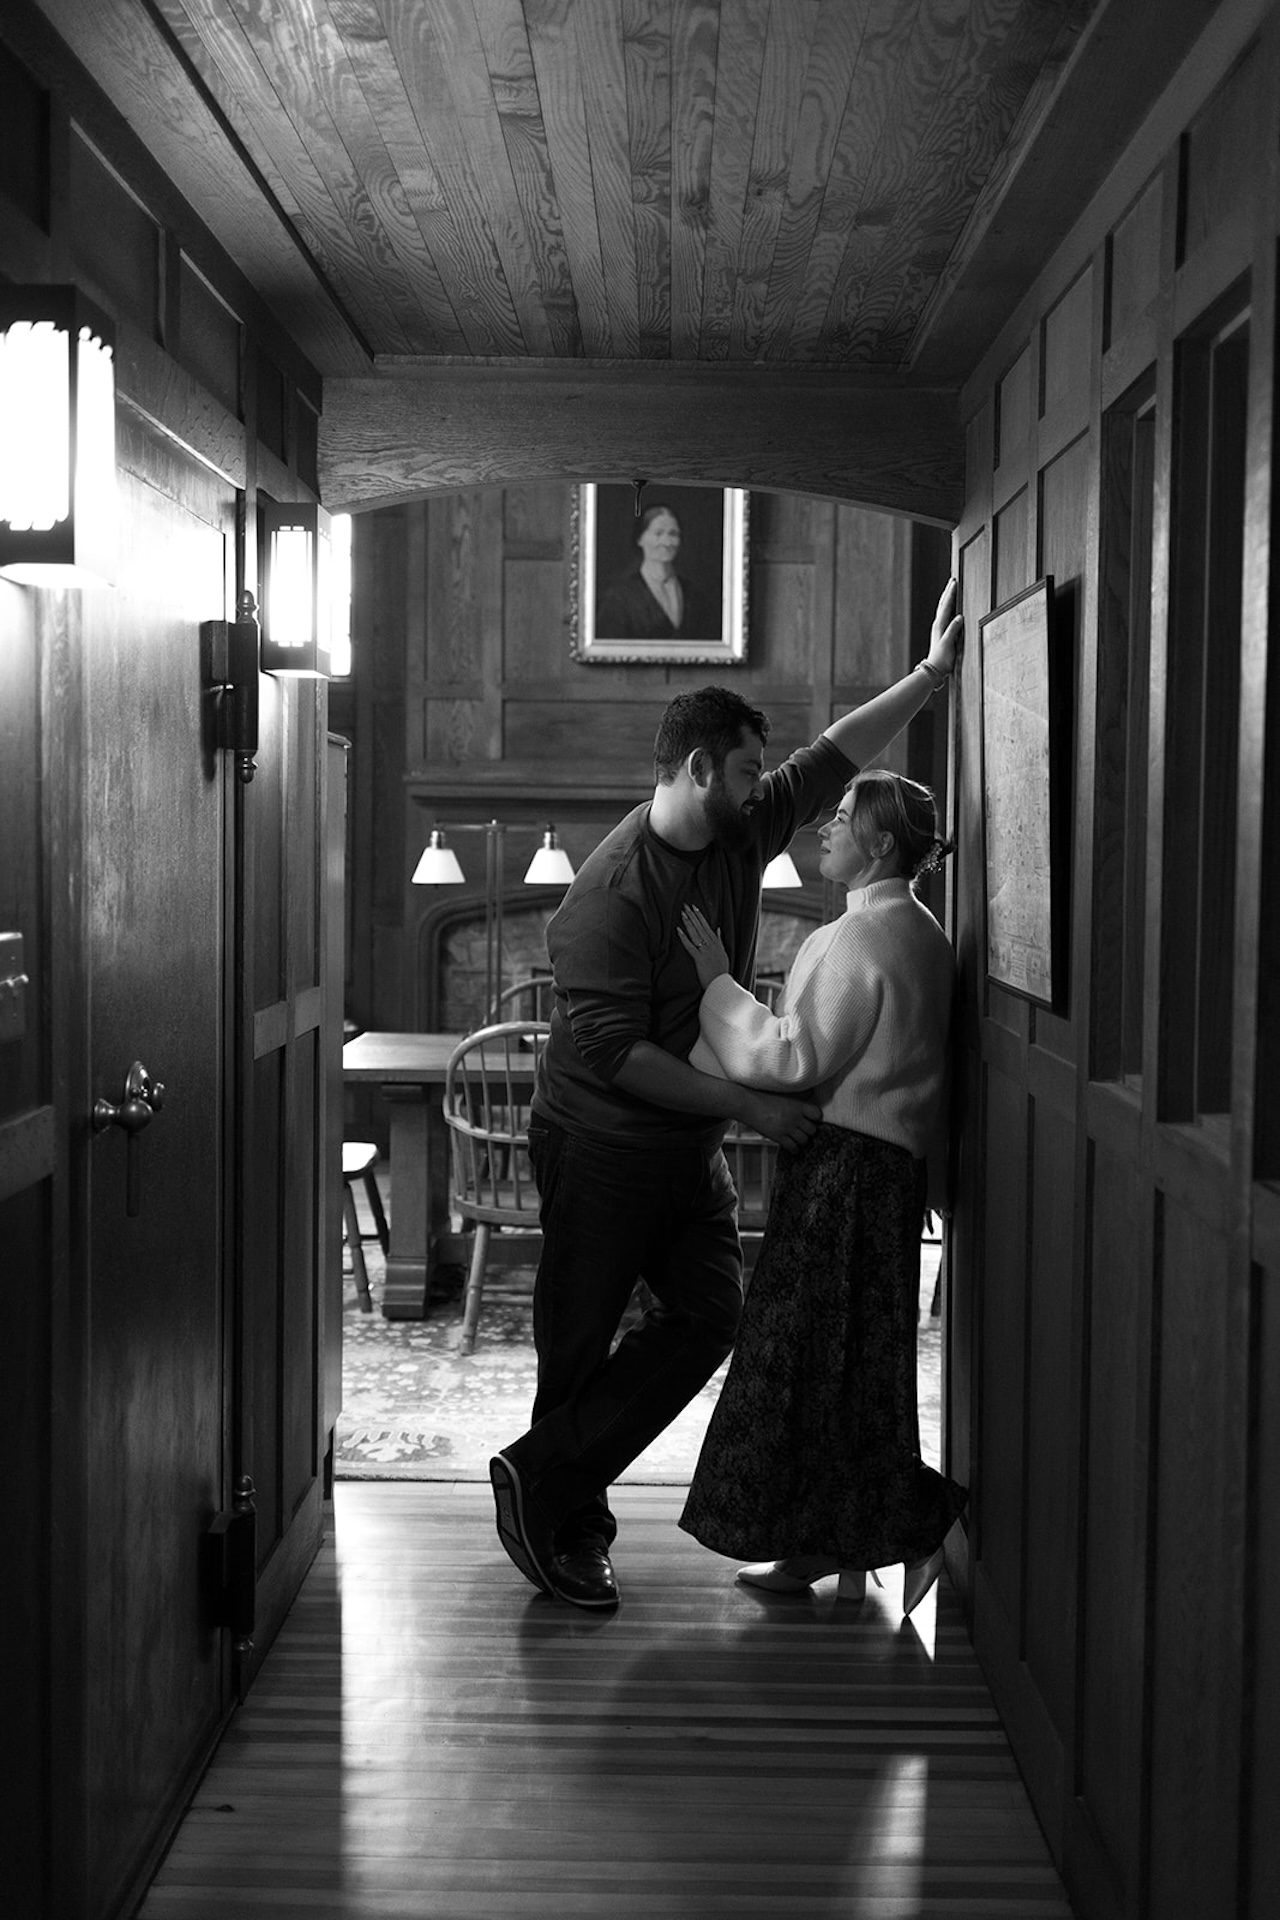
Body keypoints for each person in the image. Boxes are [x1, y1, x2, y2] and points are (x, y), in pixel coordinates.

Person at [489, 579, 962, 1612]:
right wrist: (748, 1108)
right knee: (577, 1341)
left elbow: (834, 752)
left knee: (710, 1317)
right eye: (748, 770)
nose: (768, 790)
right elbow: (613, 1054)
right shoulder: (606, 898)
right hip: (602, 1144)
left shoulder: (738, 828)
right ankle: (568, 1528)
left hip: (683, 1149)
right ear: (700, 769)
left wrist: (929, 676)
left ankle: (536, 1474)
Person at [675, 770, 967, 1615]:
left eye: (842, 819)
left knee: (796, 1361)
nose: (824, 829)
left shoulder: (858, 940)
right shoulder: (920, 929)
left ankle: (909, 1523)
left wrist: (714, 983)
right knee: (853, 1369)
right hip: (886, 1175)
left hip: (841, 1170)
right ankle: (819, 1548)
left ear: (880, 844)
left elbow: (790, 1055)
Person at [596, 504, 716, 641]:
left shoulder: (694, 594)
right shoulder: (618, 597)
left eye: (673, 534)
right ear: (640, 539)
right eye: (658, 533)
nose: (667, 542)